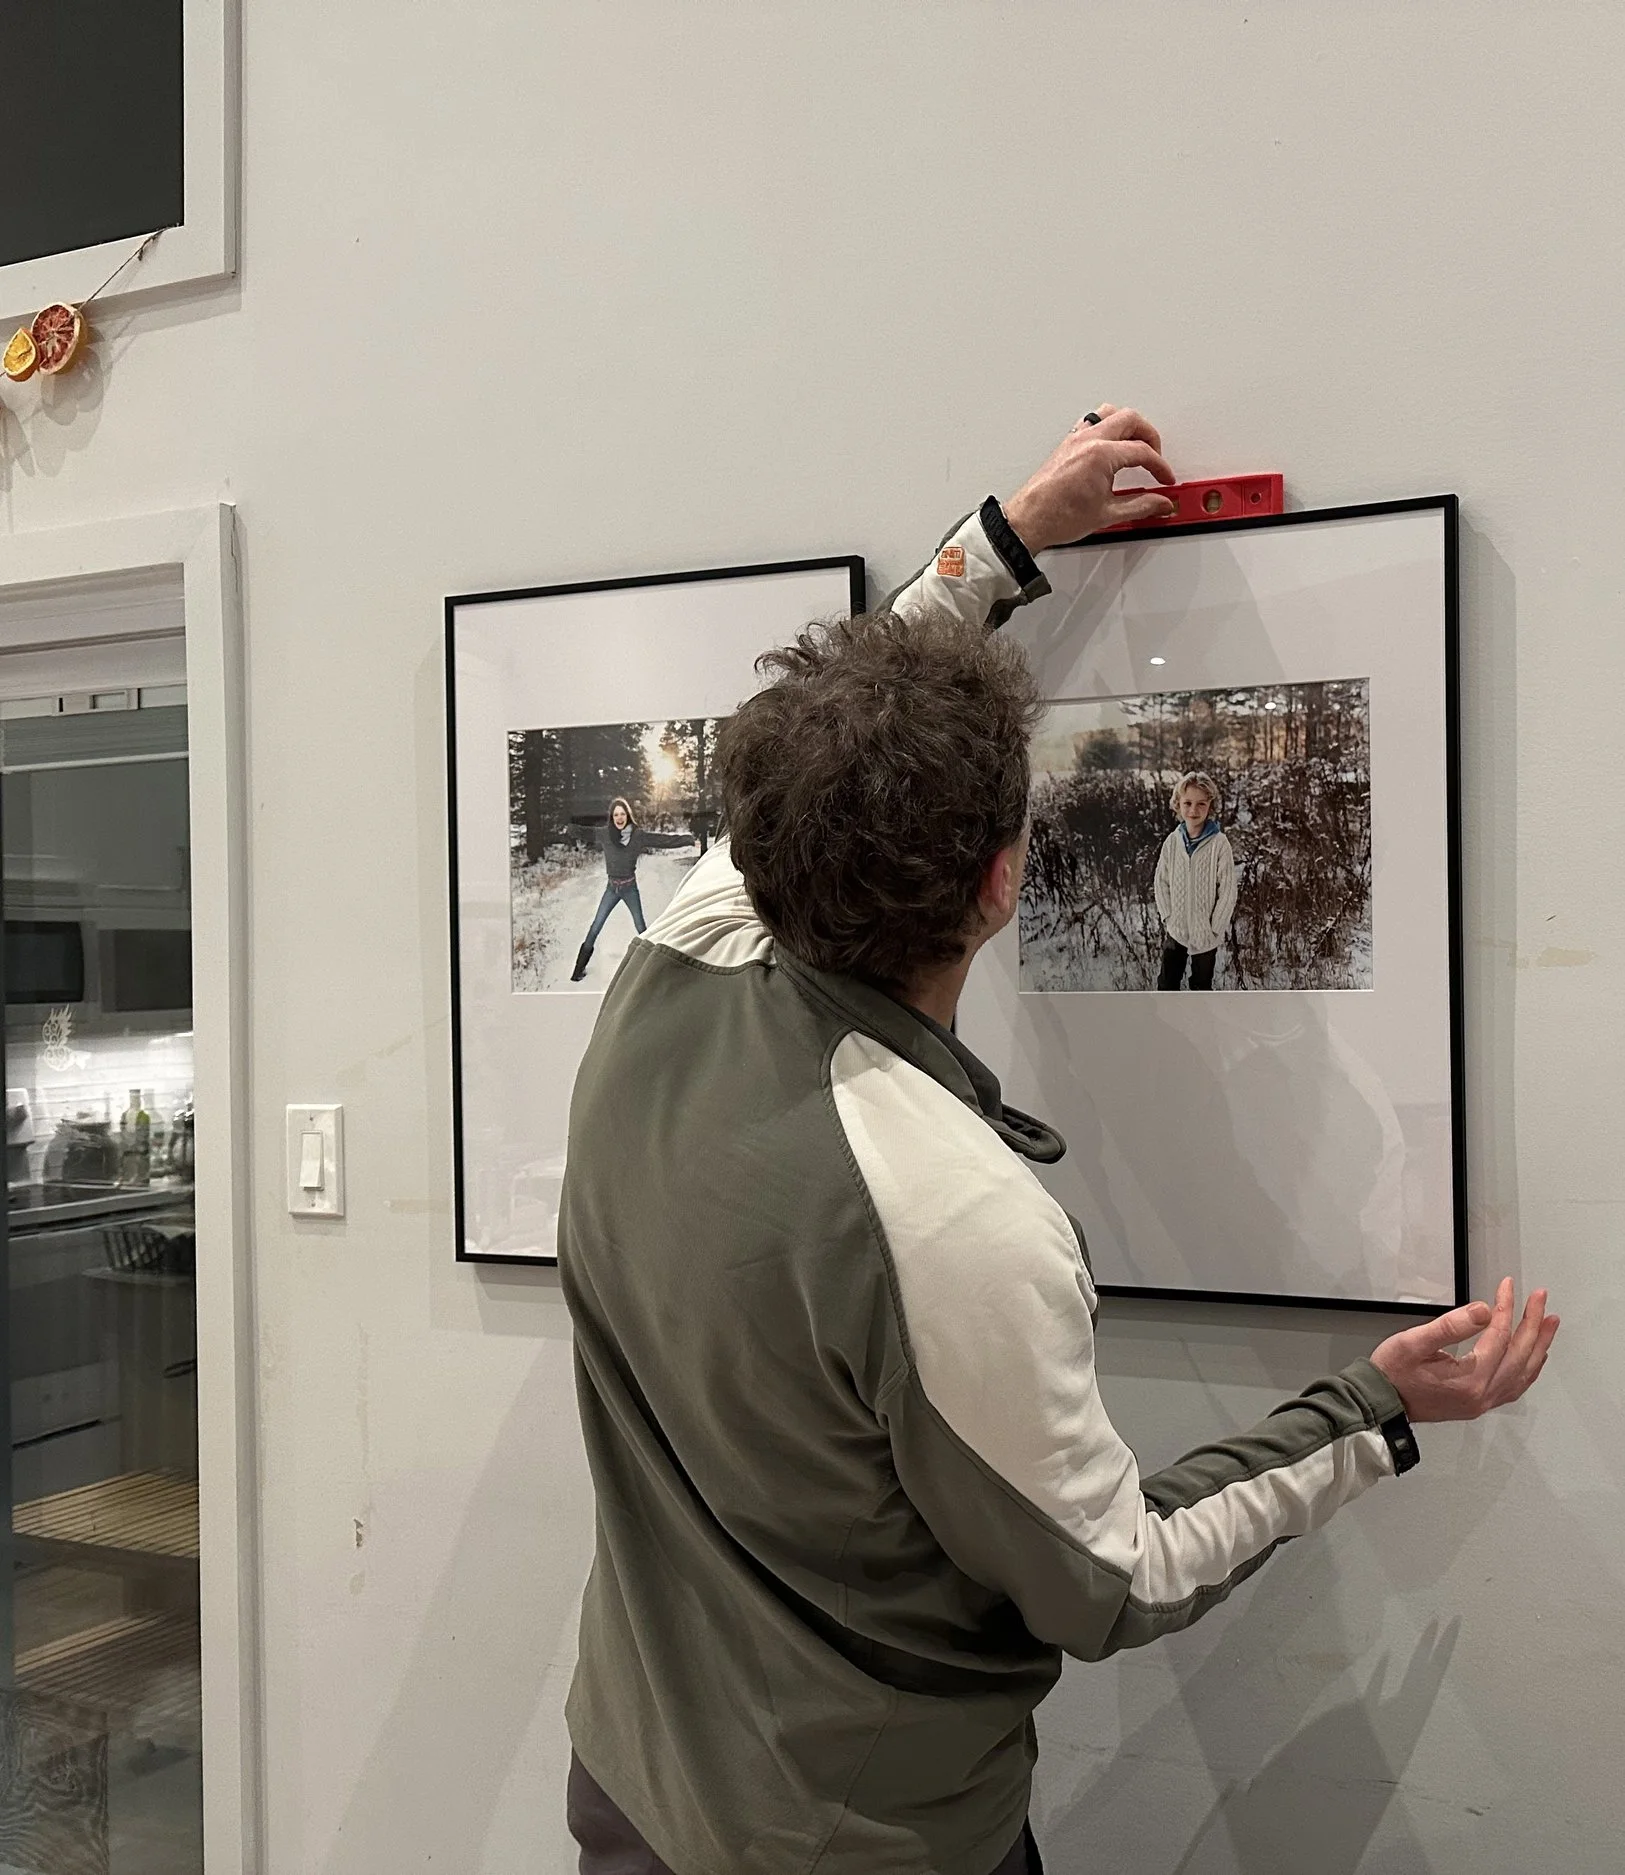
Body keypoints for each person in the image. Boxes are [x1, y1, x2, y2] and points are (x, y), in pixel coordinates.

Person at [558, 409, 1561, 1875]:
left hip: (632, 1791)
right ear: (1004, 879)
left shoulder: (670, 967)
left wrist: (1011, 535)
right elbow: (1114, 1575)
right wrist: (1371, 1410)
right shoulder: (951, 1213)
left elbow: (843, 732)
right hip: (860, 1844)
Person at [569, 798, 700, 983]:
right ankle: (577, 972)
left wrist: (687, 840)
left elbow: (661, 840)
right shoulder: (605, 834)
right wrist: (569, 827)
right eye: (616, 815)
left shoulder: (638, 836)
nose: (619, 818)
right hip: (611, 889)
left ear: (627, 815)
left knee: (641, 927)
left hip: (630, 888)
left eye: (622, 814)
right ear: (612, 817)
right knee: (595, 927)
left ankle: (652, 966)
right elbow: (585, 832)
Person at [1152, 770, 1237, 990]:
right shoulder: (1172, 842)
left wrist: (1215, 928)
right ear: (1178, 804)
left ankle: (1198, 1023)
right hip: (1176, 930)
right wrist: (1168, 917)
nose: (1193, 810)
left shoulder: (1219, 844)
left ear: (1210, 806)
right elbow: (1161, 882)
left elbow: (1227, 890)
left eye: (1201, 804)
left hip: (1205, 933)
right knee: (1167, 983)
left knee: (1201, 986)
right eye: (1187, 803)